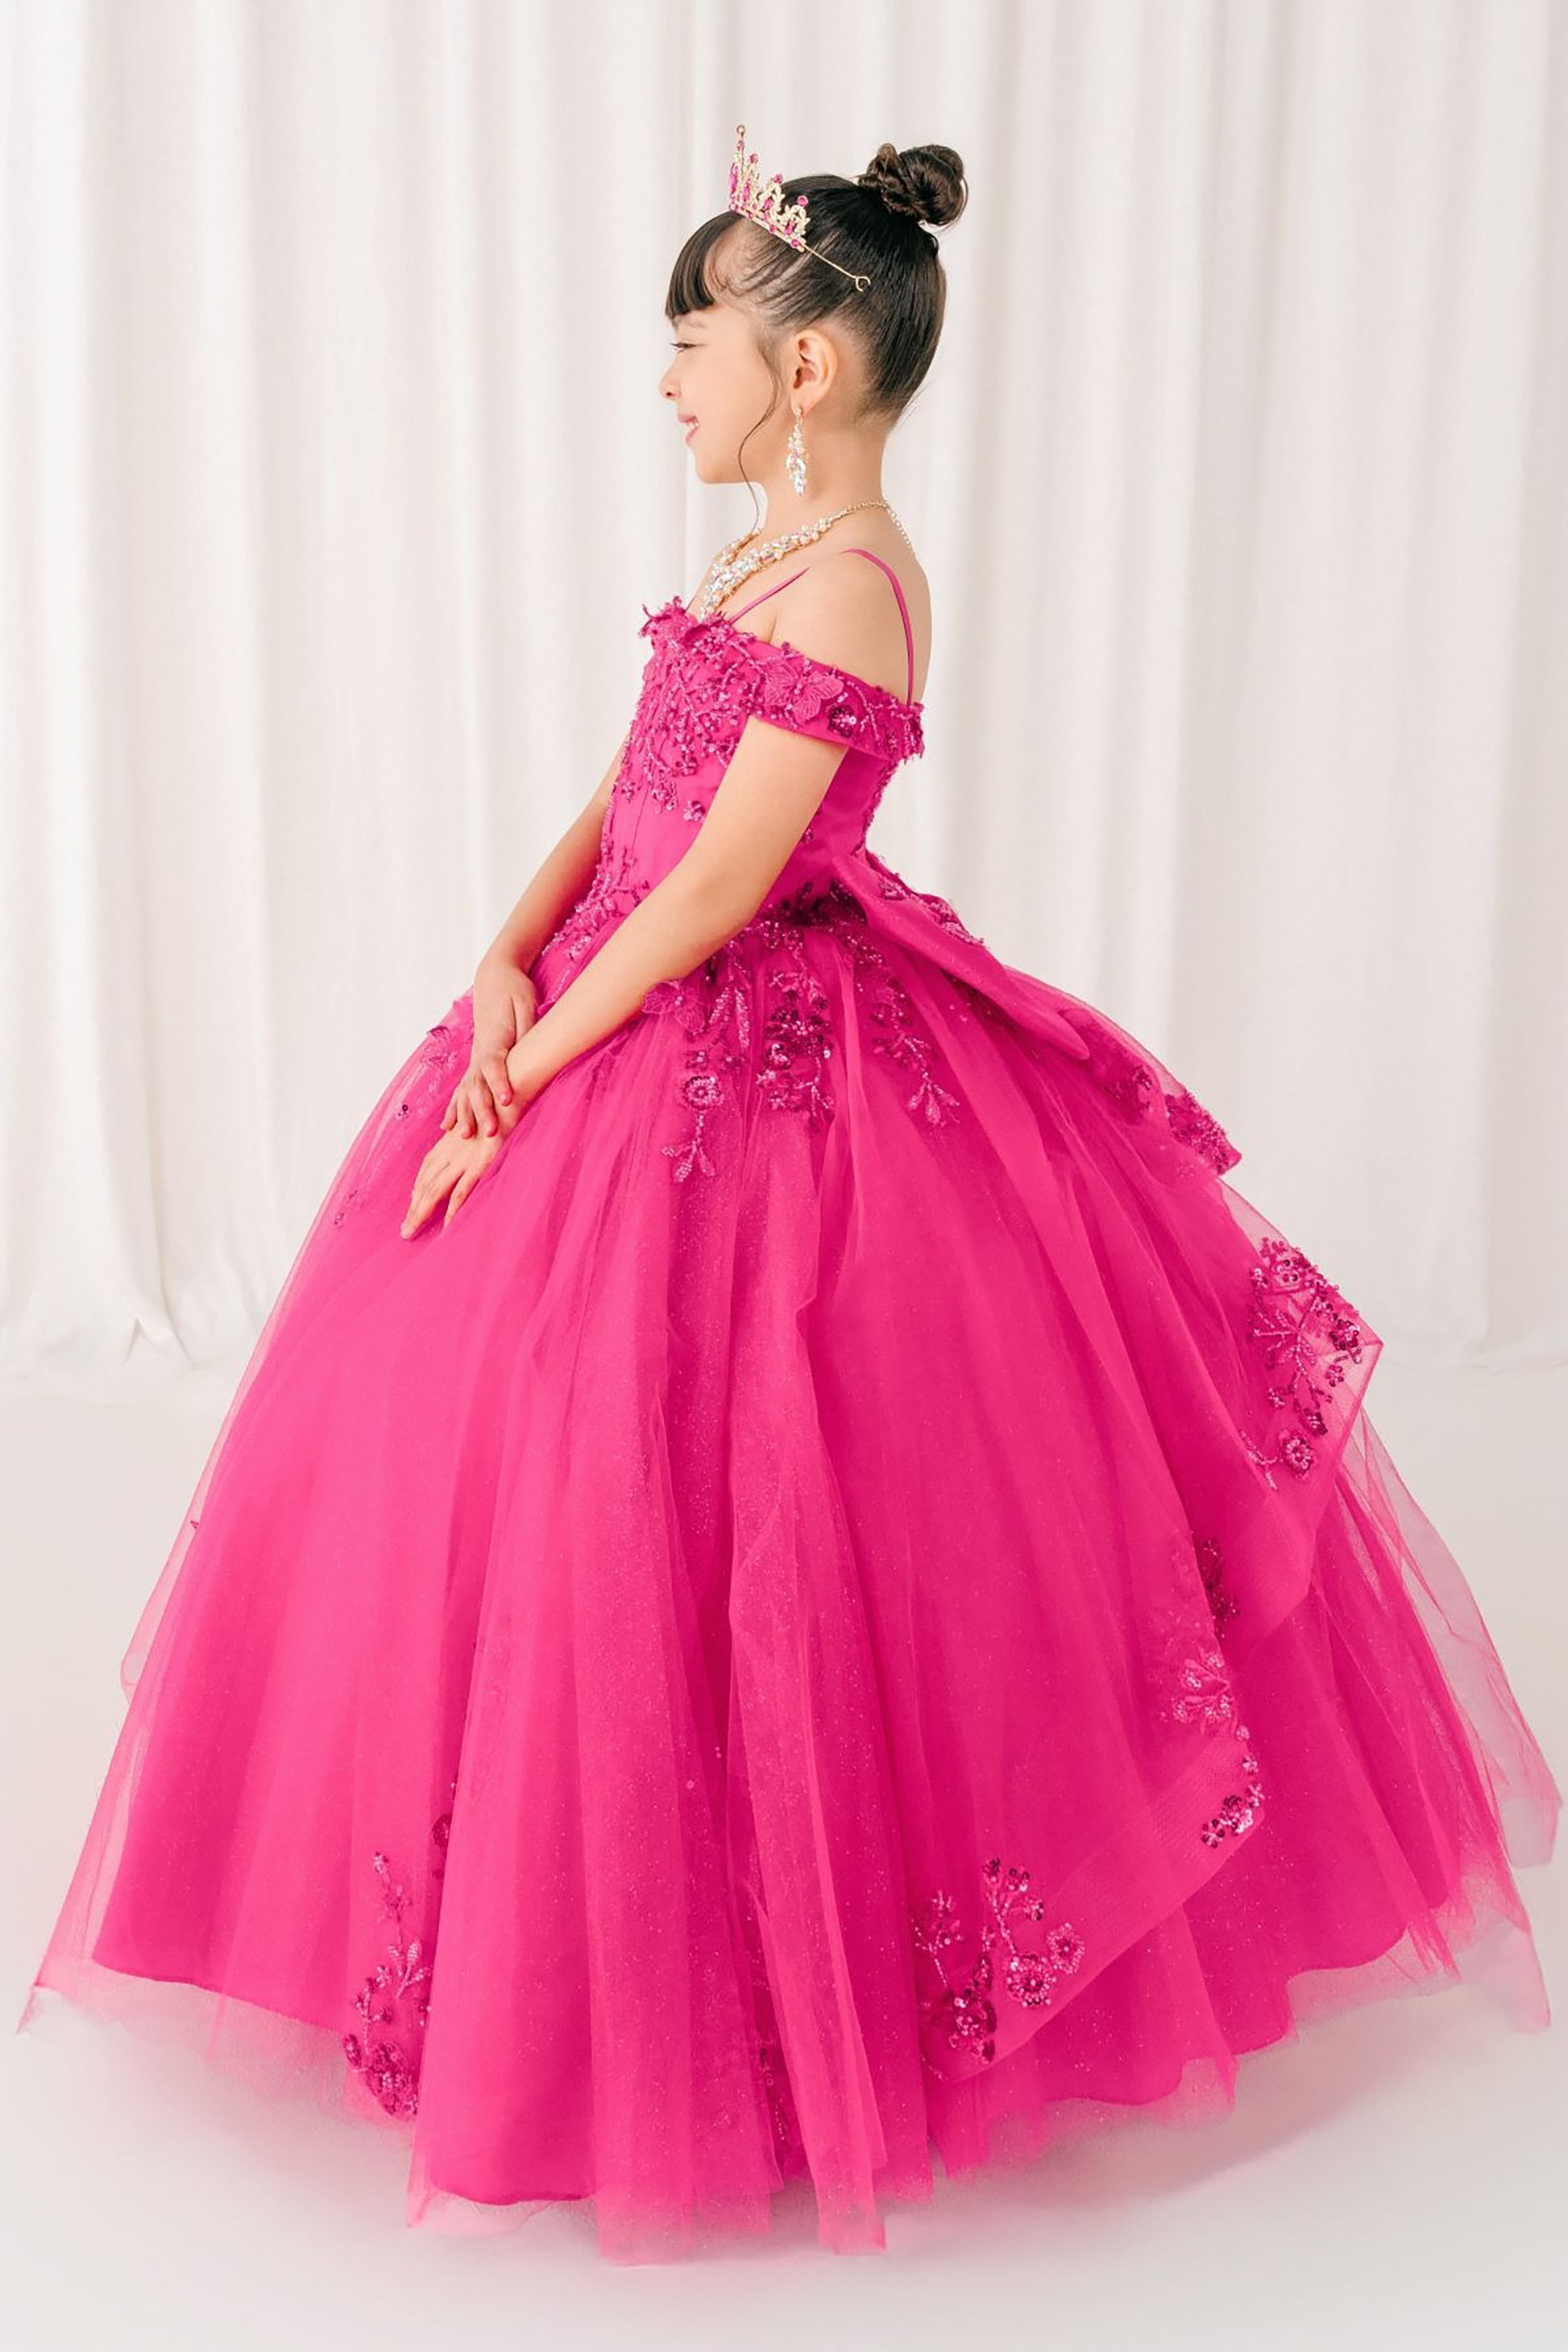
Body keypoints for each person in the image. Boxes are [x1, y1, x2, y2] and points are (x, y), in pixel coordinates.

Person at [18, 122, 1559, 2267]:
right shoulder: (754, 568)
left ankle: (747, 1985)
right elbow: (624, 797)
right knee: (509, 1465)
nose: (666, 384)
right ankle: (527, 1932)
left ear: (806, 367)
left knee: (770, 1486)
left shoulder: (851, 576)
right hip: (607, 1000)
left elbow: (735, 875)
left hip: (762, 1055)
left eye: (689, 345)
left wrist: (534, 1067)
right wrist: (496, 958)